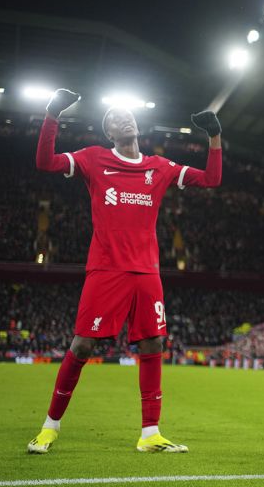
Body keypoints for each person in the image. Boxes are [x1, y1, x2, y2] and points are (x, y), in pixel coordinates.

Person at [28, 89, 222, 453]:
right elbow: (45, 163)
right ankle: (50, 426)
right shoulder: (93, 159)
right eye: (116, 118)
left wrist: (214, 137)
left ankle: (150, 434)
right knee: (83, 344)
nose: (126, 118)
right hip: (106, 268)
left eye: (129, 114)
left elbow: (211, 179)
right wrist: (53, 113)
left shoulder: (159, 167)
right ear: (110, 133)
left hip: (148, 272)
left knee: (154, 343)